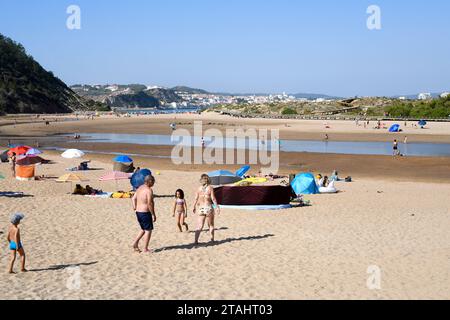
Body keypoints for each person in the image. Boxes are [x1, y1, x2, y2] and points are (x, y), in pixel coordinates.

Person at [131, 175, 156, 253]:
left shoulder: (140, 187)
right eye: (153, 181)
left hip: (138, 212)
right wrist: (153, 214)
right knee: (148, 230)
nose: (154, 183)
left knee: (143, 229)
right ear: (149, 181)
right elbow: (149, 203)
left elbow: (133, 198)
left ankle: (135, 243)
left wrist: (135, 208)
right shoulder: (149, 190)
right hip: (145, 212)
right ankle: (145, 249)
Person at [193, 174, 220, 245]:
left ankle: (196, 240)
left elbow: (196, 198)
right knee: (211, 225)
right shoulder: (210, 188)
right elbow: (213, 198)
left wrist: (194, 206)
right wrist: (217, 207)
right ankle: (212, 239)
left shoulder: (199, 188)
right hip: (208, 207)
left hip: (201, 208)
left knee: (199, 225)